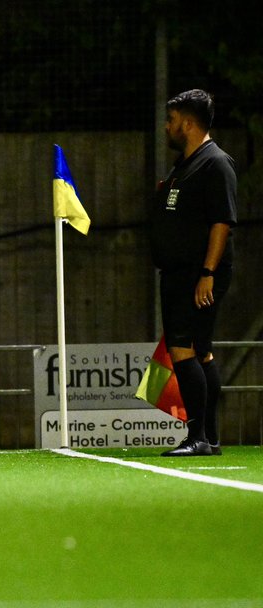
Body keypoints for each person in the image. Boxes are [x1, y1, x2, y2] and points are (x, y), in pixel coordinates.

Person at [150, 89, 237, 457]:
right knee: (201, 351)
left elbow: (222, 223)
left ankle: (197, 437)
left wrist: (207, 272)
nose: (167, 127)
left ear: (187, 123)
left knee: (183, 349)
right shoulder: (185, 165)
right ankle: (210, 438)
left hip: (194, 274)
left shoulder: (216, 163)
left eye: (171, 121)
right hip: (177, 272)